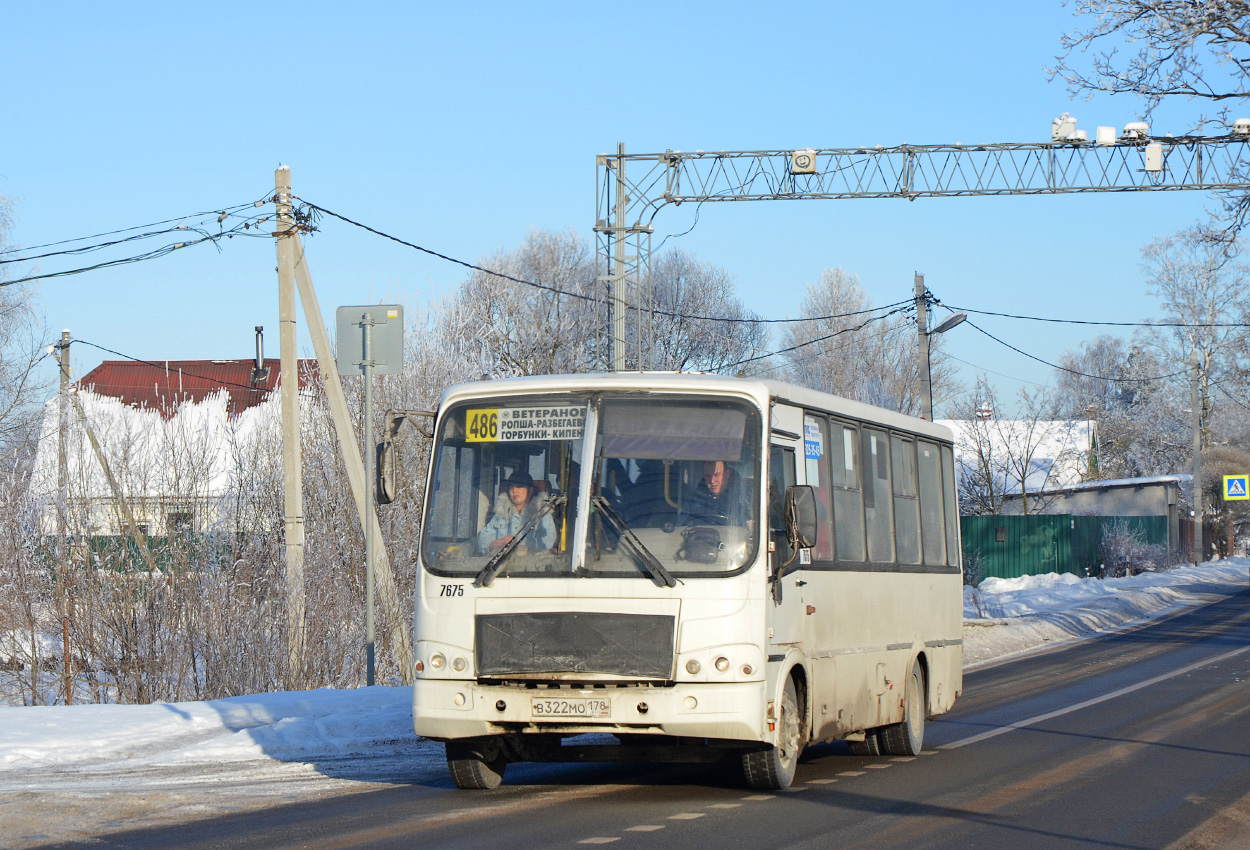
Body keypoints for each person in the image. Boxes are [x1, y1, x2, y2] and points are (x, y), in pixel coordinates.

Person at [477, 470, 557, 554]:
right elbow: (483, 536)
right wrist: (491, 544)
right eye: (511, 487)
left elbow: (548, 542)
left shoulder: (542, 514)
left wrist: (518, 543)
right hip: (498, 565)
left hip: (531, 565)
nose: (514, 490)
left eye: (519, 486)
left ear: (530, 490)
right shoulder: (501, 512)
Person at [683, 460, 750, 527]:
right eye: (708, 476)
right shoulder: (694, 501)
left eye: (716, 475)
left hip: (731, 536)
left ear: (727, 474)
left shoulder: (742, 499)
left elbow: (751, 528)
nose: (712, 481)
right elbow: (680, 525)